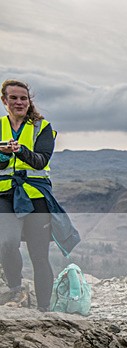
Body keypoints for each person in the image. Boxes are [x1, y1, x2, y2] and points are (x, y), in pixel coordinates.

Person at [1, 79, 79, 311]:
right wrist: (3, 156)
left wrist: (19, 150)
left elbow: (41, 160)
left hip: (36, 195)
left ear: (29, 101)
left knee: (39, 255)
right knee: (6, 242)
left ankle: (44, 309)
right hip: (5, 194)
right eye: (13, 98)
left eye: (23, 98)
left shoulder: (41, 127)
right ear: (4, 100)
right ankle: (16, 289)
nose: (19, 102)